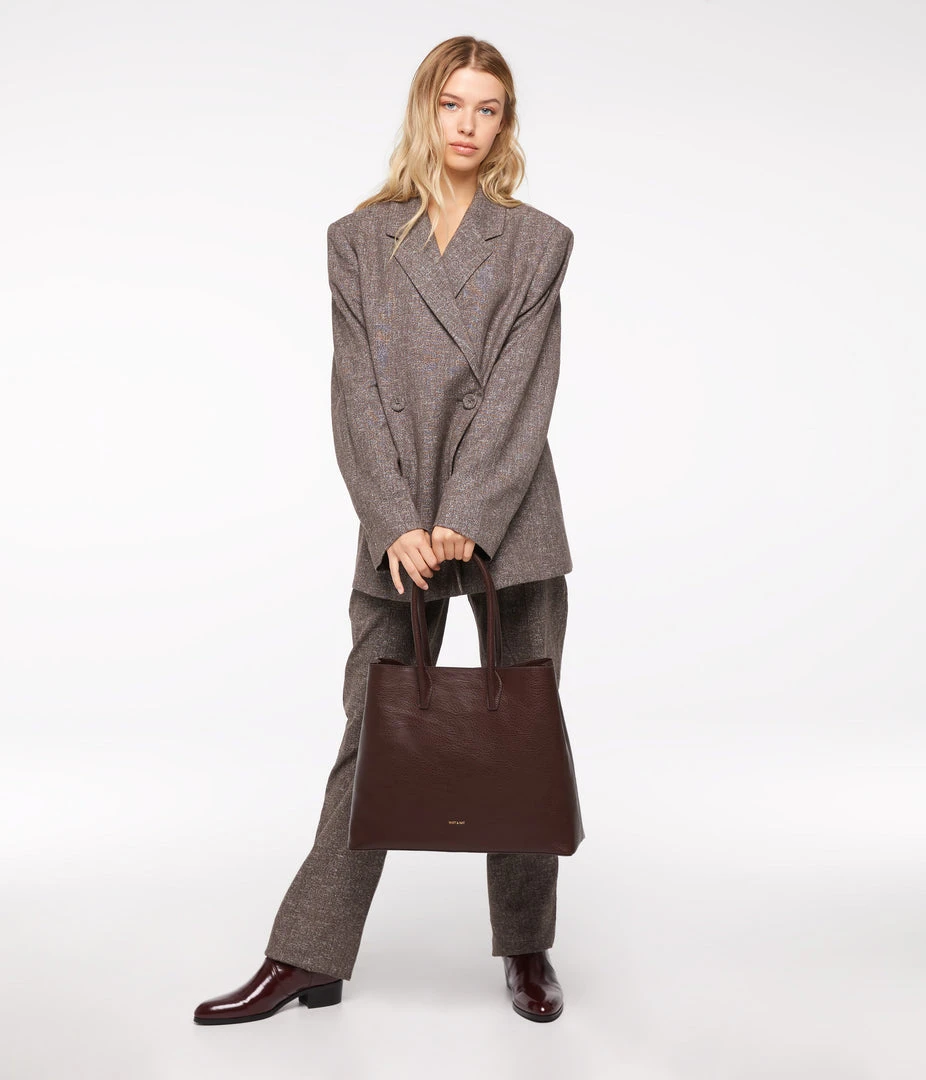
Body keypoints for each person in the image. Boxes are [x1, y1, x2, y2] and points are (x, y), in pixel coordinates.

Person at [193, 35, 576, 1026]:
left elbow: (520, 398)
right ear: (423, 109)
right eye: (452, 103)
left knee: (519, 733)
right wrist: (397, 523)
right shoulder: (358, 241)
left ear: (505, 123)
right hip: (397, 525)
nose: (467, 124)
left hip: (508, 526)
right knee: (370, 733)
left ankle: (526, 946)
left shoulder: (537, 242)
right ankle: (306, 952)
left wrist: (466, 520)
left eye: (488, 108)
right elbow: (355, 396)